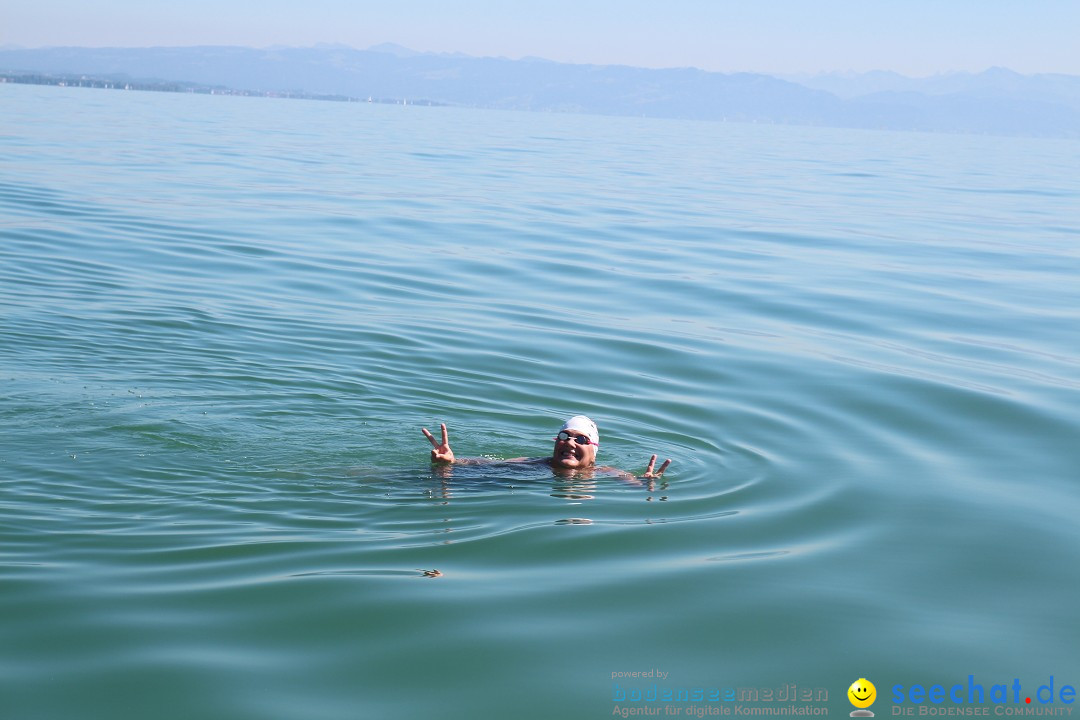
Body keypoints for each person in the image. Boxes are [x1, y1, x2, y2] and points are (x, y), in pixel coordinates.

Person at [421, 415, 671, 479]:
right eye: (564, 436)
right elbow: (486, 466)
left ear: (593, 450)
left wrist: (645, 483)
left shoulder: (603, 473)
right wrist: (451, 465)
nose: (570, 443)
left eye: (581, 439)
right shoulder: (532, 464)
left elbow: (632, 483)